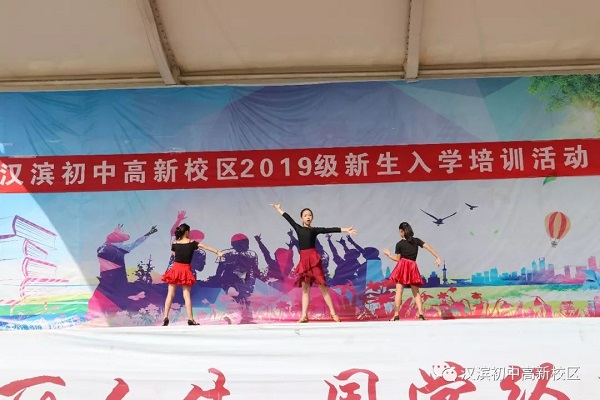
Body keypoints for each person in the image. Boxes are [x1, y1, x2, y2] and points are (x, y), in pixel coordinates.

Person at [271, 204, 357, 323]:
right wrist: (278, 209)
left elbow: (328, 229)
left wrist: (345, 229)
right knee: (305, 289)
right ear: (301, 218)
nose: (308, 217)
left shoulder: (314, 230)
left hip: (314, 260)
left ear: (312, 217)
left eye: (310, 215)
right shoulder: (298, 228)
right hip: (304, 261)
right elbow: (288, 218)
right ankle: (304, 316)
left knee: (323, 287)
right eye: (305, 215)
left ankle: (333, 314)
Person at [162, 223, 223, 326]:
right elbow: (206, 247)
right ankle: (190, 319)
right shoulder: (192, 243)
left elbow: (174, 255)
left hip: (175, 269)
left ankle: (165, 317)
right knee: (186, 295)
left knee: (170, 294)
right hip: (185, 270)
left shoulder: (175, 243)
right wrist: (218, 252)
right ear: (187, 232)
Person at [383, 222, 441, 321]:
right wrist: (437, 257)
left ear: (401, 231)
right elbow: (429, 248)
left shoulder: (399, 244)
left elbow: (398, 259)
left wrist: (389, 255)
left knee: (399, 292)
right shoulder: (416, 241)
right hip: (412, 266)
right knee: (416, 292)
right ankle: (421, 314)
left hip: (402, 266)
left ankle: (396, 315)